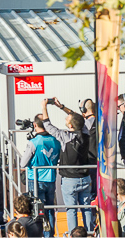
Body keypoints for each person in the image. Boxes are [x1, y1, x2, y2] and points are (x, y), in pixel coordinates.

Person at [42, 98, 96, 234]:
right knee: (86, 208)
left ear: (70, 126)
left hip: (70, 180)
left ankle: (74, 234)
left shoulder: (65, 136)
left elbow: (47, 125)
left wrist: (44, 106)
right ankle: (90, 233)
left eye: (67, 118)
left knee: (71, 209)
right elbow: (79, 119)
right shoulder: (86, 132)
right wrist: (61, 107)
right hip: (85, 178)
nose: (66, 118)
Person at [21, 115, 60, 236]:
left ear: (35, 125)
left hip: (36, 179)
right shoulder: (56, 140)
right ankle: (49, 235)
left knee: (37, 210)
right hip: (51, 179)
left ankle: (39, 234)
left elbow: (23, 163)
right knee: (50, 209)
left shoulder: (34, 142)